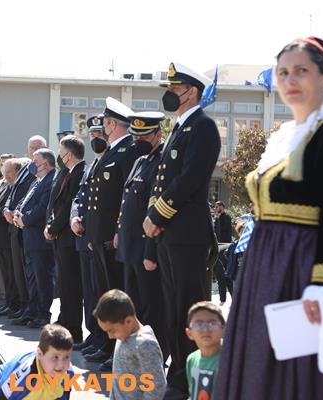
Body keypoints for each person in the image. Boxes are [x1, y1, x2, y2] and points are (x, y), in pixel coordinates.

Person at [215, 37, 323, 399]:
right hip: (265, 263)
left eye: (301, 71)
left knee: (298, 363)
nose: (290, 80)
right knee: (260, 360)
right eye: (283, 72)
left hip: (301, 264)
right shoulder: (284, 135)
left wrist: (320, 282)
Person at [142, 62, 221, 399]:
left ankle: (191, 377)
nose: (170, 94)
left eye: (176, 88)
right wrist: (153, 218)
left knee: (189, 308)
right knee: (173, 310)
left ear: (193, 92)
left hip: (187, 233)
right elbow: (161, 181)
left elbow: (189, 179)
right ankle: (178, 373)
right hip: (169, 234)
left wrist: (158, 215)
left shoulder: (203, 127)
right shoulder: (179, 128)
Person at [85, 97, 138, 371]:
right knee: (104, 293)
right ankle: (106, 344)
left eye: (105, 123)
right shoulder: (110, 152)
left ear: (113, 124)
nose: (103, 129)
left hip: (112, 238)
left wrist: (118, 230)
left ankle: (118, 350)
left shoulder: (128, 151)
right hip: (99, 236)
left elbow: (126, 197)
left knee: (116, 295)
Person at [114, 111, 169, 361]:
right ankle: (135, 355)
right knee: (134, 307)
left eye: (143, 136)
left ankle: (155, 357)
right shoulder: (140, 161)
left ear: (158, 133)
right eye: (135, 136)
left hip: (145, 250)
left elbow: (153, 210)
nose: (138, 141)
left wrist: (150, 252)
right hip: (129, 247)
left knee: (152, 309)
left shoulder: (161, 162)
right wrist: (119, 231)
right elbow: (127, 201)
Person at [70, 117, 109, 359]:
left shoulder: (109, 161)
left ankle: (103, 338)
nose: (95, 139)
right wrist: (74, 217)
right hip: (83, 235)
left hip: (98, 236)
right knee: (89, 292)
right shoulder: (92, 165)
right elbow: (79, 198)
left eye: (99, 135)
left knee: (99, 291)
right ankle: (93, 335)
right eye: (92, 136)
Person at [45, 135, 86, 343]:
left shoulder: (80, 172)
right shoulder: (67, 173)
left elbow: (69, 205)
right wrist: (50, 225)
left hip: (69, 237)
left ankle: (74, 329)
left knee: (71, 285)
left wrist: (53, 228)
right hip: (61, 237)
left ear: (69, 154)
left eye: (61, 153)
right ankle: (65, 320)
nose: (59, 157)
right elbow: (55, 204)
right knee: (64, 284)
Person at [93, 289, 167, 400]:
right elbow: (117, 381)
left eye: (112, 331)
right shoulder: (123, 336)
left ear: (128, 321)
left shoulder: (145, 344)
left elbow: (156, 386)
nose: (110, 336)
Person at [12, 148, 56, 328]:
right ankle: (32, 310)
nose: (32, 165)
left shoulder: (51, 180)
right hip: (28, 237)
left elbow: (43, 207)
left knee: (42, 278)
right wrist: (17, 213)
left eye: (35, 162)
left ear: (45, 163)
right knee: (32, 278)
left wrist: (25, 219)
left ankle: (43, 314)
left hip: (39, 239)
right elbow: (23, 202)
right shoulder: (36, 182)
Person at [0, 324, 75, 400]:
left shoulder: (68, 373)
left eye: (66, 357)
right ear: (40, 354)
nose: (61, 365)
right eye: (55, 357)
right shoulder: (22, 376)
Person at [3, 136, 45, 319]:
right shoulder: (27, 171)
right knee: (20, 272)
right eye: (32, 147)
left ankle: (33, 309)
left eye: (38, 147)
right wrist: (7, 210)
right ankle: (24, 306)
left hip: (32, 229)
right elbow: (15, 196)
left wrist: (22, 216)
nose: (34, 150)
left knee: (34, 276)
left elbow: (38, 204)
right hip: (17, 226)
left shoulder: (41, 173)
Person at [0, 158, 26, 317]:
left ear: (17, 171)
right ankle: (10, 302)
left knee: (12, 272)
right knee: (7, 273)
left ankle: (15, 303)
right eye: (5, 172)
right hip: (1, 234)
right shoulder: (6, 185)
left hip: (8, 231)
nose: (6, 175)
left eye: (9, 172)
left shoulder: (19, 185)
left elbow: (9, 206)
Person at [185, 301, 224, 400]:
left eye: (212, 323)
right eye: (198, 324)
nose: (206, 329)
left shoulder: (230, 360)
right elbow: (193, 394)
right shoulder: (191, 359)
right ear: (189, 333)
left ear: (224, 330)